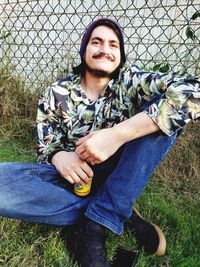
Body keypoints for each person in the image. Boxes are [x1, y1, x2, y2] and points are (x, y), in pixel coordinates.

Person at [0, 17, 200, 267]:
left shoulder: (130, 82)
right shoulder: (57, 92)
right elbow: (45, 147)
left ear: (120, 54)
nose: (105, 49)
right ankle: (117, 208)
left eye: (113, 45)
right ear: (84, 50)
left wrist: (117, 135)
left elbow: (194, 92)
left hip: (119, 172)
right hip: (71, 181)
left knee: (165, 112)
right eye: (96, 42)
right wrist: (58, 156)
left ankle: (97, 222)